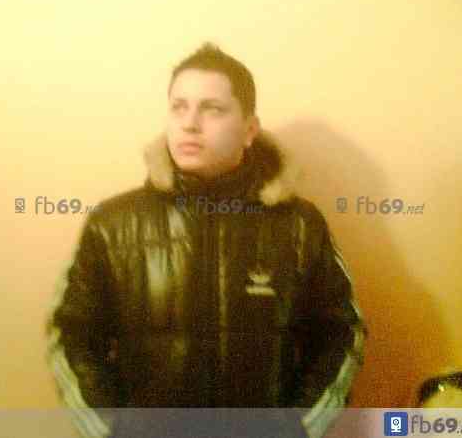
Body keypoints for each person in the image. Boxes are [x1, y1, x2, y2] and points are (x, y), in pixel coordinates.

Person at [44, 42, 368, 438]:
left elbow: (341, 333)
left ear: (249, 130)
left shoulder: (300, 226)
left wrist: (297, 428)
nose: (190, 124)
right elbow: (70, 334)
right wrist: (112, 430)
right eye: (178, 107)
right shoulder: (112, 224)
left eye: (212, 109)